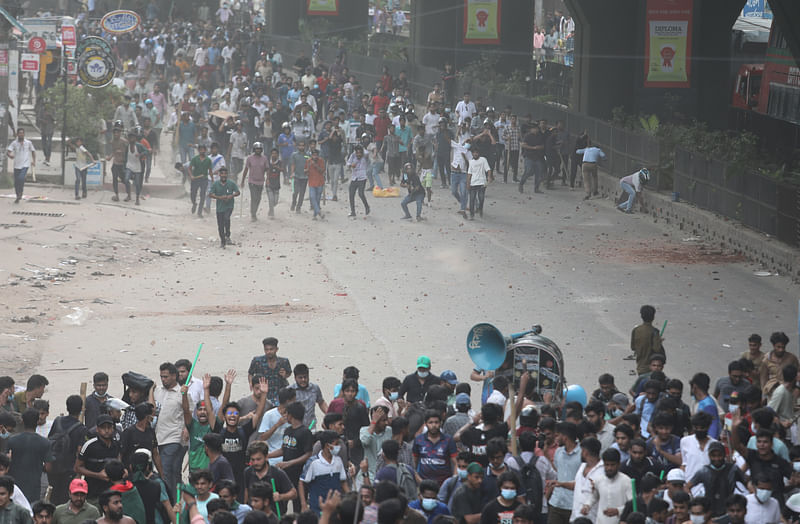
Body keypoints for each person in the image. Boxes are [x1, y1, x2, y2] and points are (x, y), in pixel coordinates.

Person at [153, 362, 184, 502]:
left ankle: (169, 502)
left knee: (165, 470)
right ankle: (175, 500)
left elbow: (188, 414)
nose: (163, 379)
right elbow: (151, 409)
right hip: (157, 437)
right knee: (171, 472)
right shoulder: (157, 391)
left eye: (165, 377)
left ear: (174, 376)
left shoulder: (182, 393)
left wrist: (186, 430)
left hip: (174, 438)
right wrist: (149, 391)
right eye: (161, 377)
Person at [7, 408, 53, 502]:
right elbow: (48, 467)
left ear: (23, 421)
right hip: (34, 487)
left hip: (14, 487)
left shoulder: (12, 440)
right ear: (37, 421)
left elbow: (7, 461)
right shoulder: (44, 442)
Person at [299, 430, 348, 514]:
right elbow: (302, 483)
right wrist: (303, 504)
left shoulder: (338, 460)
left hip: (335, 508)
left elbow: (343, 482)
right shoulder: (313, 462)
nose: (339, 446)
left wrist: (350, 497)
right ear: (327, 446)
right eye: (336, 444)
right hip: (318, 509)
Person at [579, 448, 631, 524]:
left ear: (618, 464)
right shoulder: (598, 480)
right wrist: (587, 506)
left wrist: (618, 511)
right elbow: (593, 497)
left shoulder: (626, 481)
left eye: (612, 465)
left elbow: (632, 504)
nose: (609, 468)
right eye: (607, 465)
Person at [208, 167, 241, 248]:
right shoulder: (216, 184)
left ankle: (227, 235)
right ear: (219, 175)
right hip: (219, 207)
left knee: (226, 218)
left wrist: (231, 196)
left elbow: (238, 192)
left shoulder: (231, 183)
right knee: (220, 225)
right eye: (222, 173)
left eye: (225, 174)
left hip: (229, 206)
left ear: (227, 175)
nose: (223, 175)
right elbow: (210, 194)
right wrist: (220, 198)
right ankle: (223, 241)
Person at [630, 306, 665, 376]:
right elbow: (656, 349)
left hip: (640, 366)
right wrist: (659, 341)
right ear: (653, 317)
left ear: (641, 316)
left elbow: (633, 347)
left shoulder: (636, 330)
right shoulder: (654, 331)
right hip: (651, 367)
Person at [289, 363, 328, 429]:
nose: (303, 380)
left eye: (305, 377)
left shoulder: (315, 388)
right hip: (295, 428)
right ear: (295, 378)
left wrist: (328, 414)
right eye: (300, 378)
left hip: (311, 426)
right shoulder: (290, 390)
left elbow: (321, 402)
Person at [6, 128, 36, 203]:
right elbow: (8, 151)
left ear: (24, 134)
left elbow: (33, 151)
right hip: (17, 165)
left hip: (25, 164)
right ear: (17, 134)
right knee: (16, 182)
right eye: (19, 133)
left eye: (22, 133)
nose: (21, 134)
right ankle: (18, 195)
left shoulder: (28, 142)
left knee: (21, 178)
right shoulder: (14, 143)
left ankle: (20, 192)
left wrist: (33, 161)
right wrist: (10, 156)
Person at [241, 142, 269, 221]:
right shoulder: (250, 158)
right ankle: (253, 214)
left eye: (259, 149)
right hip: (252, 181)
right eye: (256, 149)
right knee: (254, 197)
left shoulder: (264, 158)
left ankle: (254, 211)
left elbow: (267, 169)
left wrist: (268, 179)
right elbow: (246, 170)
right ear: (254, 149)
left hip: (260, 181)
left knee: (258, 198)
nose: (258, 150)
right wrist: (243, 180)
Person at [467, 143, 491, 220]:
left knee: (481, 198)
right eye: (473, 152)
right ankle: (471, 214)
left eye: (476, 152)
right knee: (472, 199)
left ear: (478, 153)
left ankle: (480, 209)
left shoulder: (483, 160)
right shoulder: (471, 162)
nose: (475, 154)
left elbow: (488, 169)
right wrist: (468, 183)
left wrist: (489, 177)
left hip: (482, 182)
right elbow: (469, 173)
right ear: (472, 153)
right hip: (473, 183)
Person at [519, 124, 545, 194]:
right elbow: (523, 145)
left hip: (538, 157)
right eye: (534, 128)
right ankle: (521, 184)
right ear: (531, 129)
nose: (536, 130)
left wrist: (539, 147)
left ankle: (536, 188)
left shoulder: (540, 136)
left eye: (537, 129)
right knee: (528, 171)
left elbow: (543, 145)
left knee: (538, 173)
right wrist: (533, 148)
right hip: (529, 157)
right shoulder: (527, 136)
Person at [346, 145, 371, 217]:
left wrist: (361, 148)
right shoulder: (353, 156)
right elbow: (348, 163)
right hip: (354, 178)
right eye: (357, 153)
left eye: (360, 153)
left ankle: (367, 207)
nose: (358, 154)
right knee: (351, 195)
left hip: (362, 178)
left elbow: (366, 153)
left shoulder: (365, 157)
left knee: (361, 193)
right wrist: (351, 165)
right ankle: (352, 211)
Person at [306, 149, 326, 219]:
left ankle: (315, 215)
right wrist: (308, 168)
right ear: (311, 155)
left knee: (317, 199)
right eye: (313, 155)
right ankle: (319, 212)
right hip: (311, 182)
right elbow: (305, 171)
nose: (315, 156)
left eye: (316, 155)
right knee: (312, 197)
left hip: (320, 182)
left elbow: (322, 171)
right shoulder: (308, 161)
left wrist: (315, 165)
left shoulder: (321, 161)